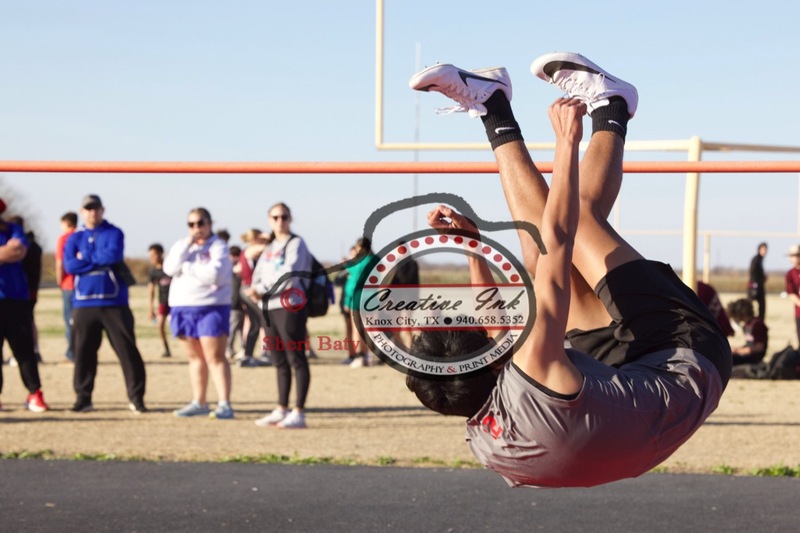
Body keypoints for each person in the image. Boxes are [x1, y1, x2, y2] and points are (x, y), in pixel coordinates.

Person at [404, 52, 731, 488]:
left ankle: (493, 104)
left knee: (534, 251)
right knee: (576, 222)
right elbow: (559, 237)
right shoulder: (533, 371)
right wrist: (565, 142)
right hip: (687, 357)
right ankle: (612, 105)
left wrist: (474, 249)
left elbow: (499, 332)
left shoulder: (484, 437)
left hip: (617, 397)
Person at [64, 194, 147, 413]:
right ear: (82, 212)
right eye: (88, 209)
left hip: (114, 302)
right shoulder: (74, 237)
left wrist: (86, 258)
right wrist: (90, 260)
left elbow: (112, 256)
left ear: (103, 210)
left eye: (96, 208)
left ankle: (136, 397)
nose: (93, 212)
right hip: (83, 303)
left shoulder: (114, 232)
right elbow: (70, 265)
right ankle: (83, 398)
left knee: (127, 351)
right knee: (83, 353)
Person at [163, 208, 234, 419]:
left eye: (201, 223)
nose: (196, 228)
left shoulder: (218, 246)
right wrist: (186, 248)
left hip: (211, 307)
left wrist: (187, 269)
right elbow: (169, 268)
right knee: (195, 358)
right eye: (191, 224)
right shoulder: (181, 245)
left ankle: (224, 403)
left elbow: (215, 275)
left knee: (215, 357)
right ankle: (199, 401)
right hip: (182, 307)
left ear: (210, 223)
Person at [249, 202, 313, 429]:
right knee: (278, 359)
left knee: (296, 358)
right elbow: (257, 273)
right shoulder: (269, 247)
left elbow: (289, 274)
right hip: (269, 307)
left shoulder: (296, 243)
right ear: (269, 220)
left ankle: (299, 411)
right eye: (275, 217)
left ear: (290, 219)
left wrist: (262, 287)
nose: (280, 221)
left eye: (284, 217)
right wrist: (255, 288)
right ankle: (281, 407)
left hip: (290, 306)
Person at [0, 198, 49, 412]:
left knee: (24, 350)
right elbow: (9, 252)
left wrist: (8, 252)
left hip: (17, 299)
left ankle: (35, 394)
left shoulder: (13, 228)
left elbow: (18, 250)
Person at [238, 229, 271, 367]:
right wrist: (268, 237)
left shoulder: (247, 251)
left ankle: (248, 355)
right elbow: (268, 247)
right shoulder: (250, 250)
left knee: (256, 323)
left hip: (248, 290)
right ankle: (267, 353)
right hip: (249, 291)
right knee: (264, 321)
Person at [341, 238, 376, 367]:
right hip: (372, 298)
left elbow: (353, 283)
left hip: (358, 299)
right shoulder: (376, 260)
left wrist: (347, 300)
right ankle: (368, 356)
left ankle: (359, 357)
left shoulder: (360, 262)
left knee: (357, 330)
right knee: (368, 329)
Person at [55, 211, 78, 364]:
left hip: (68, 284)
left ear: (66, 223)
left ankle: (72, 353)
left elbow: (59, 262)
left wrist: (59, 279)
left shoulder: (63, 239)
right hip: (82, 285)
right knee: (80, 320)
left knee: (69, 319)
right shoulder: (82, 236)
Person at [147, 243, 172, 358]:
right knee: (160, 325)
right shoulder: (153, 272)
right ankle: (166, 348)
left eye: (154, 255)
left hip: (175, 301)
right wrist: (150, 309)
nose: (152, 258)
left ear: (161, 254)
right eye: (150, 256)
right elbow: (151, 290)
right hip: (163, 302)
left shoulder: (170, 267)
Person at [726, 298, 768, 366]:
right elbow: (749, 344)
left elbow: (759, 347)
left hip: (754, 358)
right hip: (748, 354)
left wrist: (737, 351)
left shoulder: (757, 324)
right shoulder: (746, 325)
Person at [227, 245, 245, 359]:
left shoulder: (231, 270)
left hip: (235, 302)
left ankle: (232, 349)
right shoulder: (238, 270)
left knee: (236, 329)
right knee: (237, 329)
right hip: (237, 303)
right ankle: (231, 349)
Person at [784, 244, 800, 348]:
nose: (793, 258)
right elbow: (791, 293)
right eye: (792, 256)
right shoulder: (790, 273)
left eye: (796, 255)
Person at [748, 242, 768, 319]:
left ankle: (760, 322)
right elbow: (752, 272)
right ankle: (748, 320)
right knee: (749, 304)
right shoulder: (756, 259)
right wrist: (754, 286)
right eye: (763, 249)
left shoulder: (761, 260)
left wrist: (763, 277)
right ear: (759, 249)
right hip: (755, 287)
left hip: (760, 286)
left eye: (766, 249)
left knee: (762, 306)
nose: (765, 251)